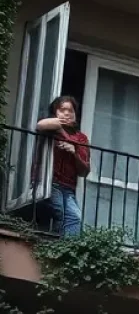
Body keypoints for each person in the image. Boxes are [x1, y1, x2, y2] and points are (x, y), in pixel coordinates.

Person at [36, 95, 91, 237]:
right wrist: (62, 131)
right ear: (55, 112)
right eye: (62, 110)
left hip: (68, 188)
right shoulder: (51, 128)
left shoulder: (81, 138)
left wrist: (74, 152)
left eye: (70, 111)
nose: (67, 113)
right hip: (48, 182)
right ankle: (53, 247)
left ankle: (67, 252)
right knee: (58, 211)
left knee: (75, 218)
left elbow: (84, 171)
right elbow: (40, 125)